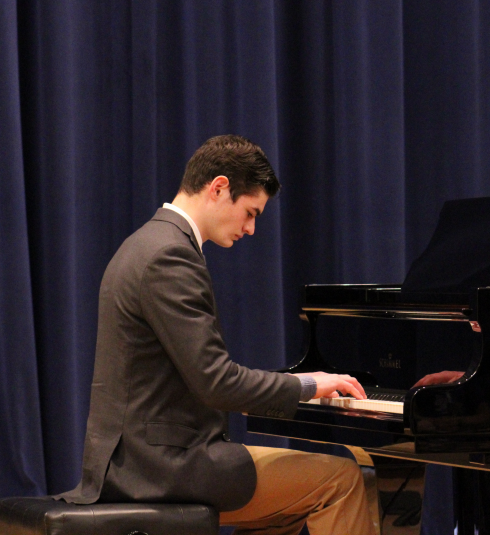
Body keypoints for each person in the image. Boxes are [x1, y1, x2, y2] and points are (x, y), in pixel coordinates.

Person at [58, 135, 377, 535]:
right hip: (161, 468)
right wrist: (308, 384)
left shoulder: (144, 244)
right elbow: (217, 383)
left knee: (285, 506)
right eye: (250, 212)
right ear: (219, 187)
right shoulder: (169, 256)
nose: (252, 228)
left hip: (139, 460)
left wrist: (265, 393)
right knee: (342, 479)